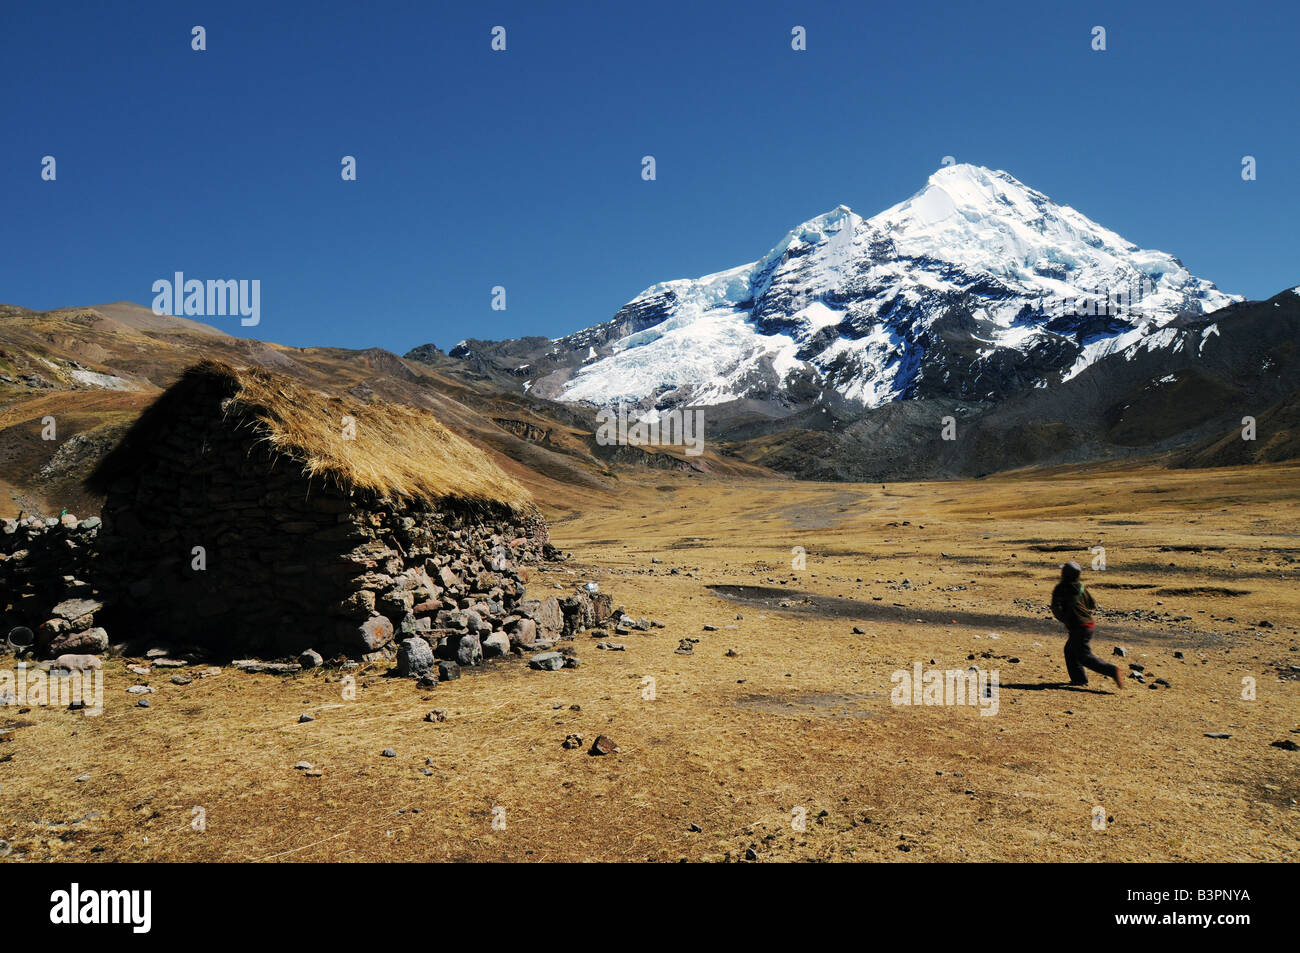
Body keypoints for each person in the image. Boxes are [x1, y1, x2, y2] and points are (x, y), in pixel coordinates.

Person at [1050, 561, 1124, 689]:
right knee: (1070, 650)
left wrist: (1064, 618)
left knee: (1084, 656)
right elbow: (1091, 605)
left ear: (1064, 574)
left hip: (1079, 626)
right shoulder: (1081, 587)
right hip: (1088, 624)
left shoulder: (1061, 587)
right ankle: (1079, 679)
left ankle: (1112, 670)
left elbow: (1055, 607)